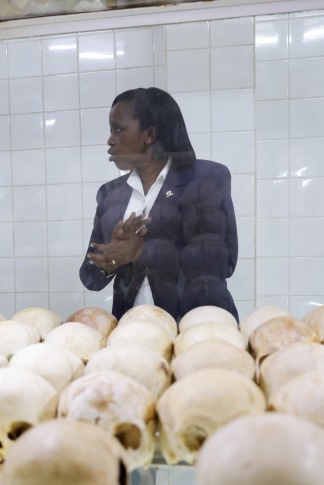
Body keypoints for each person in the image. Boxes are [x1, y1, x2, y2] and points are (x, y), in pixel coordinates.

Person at [80, 87, 239, 322]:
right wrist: (114, 260)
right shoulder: (110, 194)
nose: (110, 140)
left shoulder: (207, 179)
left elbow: (223, 262)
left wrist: (141, 251)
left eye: (119, 129)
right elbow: (90, 278)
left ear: (149, 134)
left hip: (198, 329)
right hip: (133, 333)